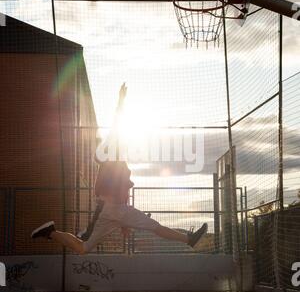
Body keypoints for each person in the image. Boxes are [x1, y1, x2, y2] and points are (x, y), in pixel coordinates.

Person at [31, 83, 208, 253]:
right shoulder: (111, 157)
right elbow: (117, 124)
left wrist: (124, 223)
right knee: (154, 227)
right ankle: (189, 240)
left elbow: (121, 192)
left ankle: (50, 232)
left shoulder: (121, 165)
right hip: (109, 208)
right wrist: (121, 101)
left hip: (115, 211)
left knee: (83, 249)